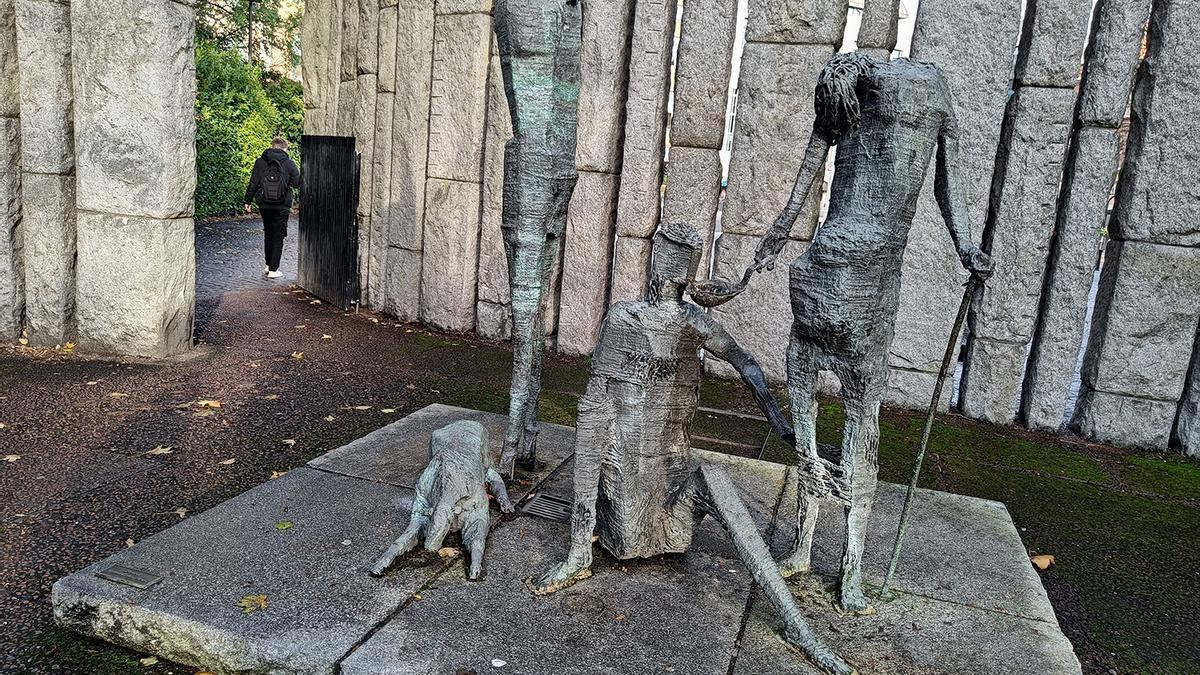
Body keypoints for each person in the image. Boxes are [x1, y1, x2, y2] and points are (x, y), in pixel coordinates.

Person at [528, 223, 855, 675]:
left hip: (672, 488)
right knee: (627, 501)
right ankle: (583, 554)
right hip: (626, 490)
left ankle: (796, 626)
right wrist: (579, 544)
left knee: (714, 479)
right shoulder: (624, 320)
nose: (671, 279)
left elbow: (745, 360)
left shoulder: (692, 322)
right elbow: (593, 414)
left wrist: (780, 423)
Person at [749, 52, 994, 614]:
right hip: (841, 272)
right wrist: (963, 245)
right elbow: (944, 182)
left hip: (852, 274)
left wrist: (964, 245)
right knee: (841, 423)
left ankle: (839, 559)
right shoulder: (878, 82)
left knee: (843, 424)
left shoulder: (870, 79)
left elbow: (810, 178)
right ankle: (823, 555)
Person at [244, 137, 301, 279]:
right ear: (284, 148)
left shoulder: (260, 162)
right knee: (278, 235)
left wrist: (248, 200)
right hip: (282, 205)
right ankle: (274, 270)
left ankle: (268, 265)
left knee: (268, 232)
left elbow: (254, 182)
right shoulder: (289, 163)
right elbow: (297, 183)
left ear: (272, 146)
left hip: (264, 204)